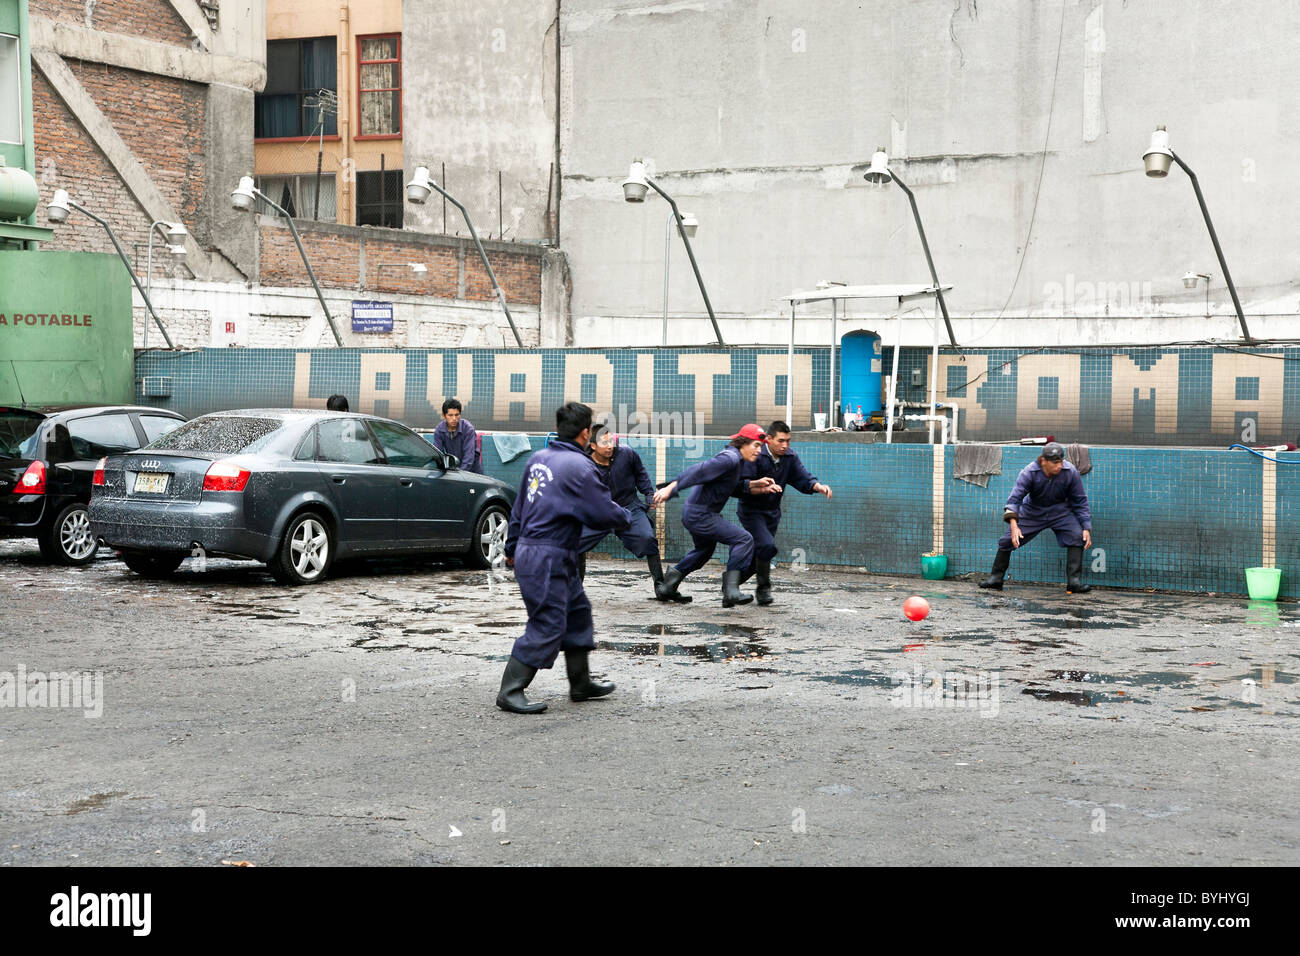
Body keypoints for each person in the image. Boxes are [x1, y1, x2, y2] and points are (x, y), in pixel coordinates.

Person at [496, 402, 632, 714]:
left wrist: (512, 547)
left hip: (543, 551)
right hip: (548, 554)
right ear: (586, 433)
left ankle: (580, 683)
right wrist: (626, 515)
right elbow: (600, 512)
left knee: (577, 612)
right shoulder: (582, 467)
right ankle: (510, 690)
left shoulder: (538, 459)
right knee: (548, 621)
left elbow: (519, 509)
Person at [651, 424, 779, 607]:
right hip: (700, 514)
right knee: (743, 539)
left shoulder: (738, 462)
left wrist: (756, 485)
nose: (759, 450)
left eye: (760, 446)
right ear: (742, 443)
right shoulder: (730, 458)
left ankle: (667, 587)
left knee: (703, 551)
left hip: (697, 512)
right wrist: (671, 487)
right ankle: (731, 591)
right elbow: (698, 471)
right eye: (755, 445)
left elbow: (732, 487)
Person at [576, 425, 688, 601]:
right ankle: (575, 589)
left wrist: (649, 495)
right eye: (604, 443)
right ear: (593, 446)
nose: (609, 446)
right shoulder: (582, 463)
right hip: (597, 512)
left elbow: (641, 474)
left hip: (628, 506)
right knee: (575, 542)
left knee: (647, 539)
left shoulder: (627, 454)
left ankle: (660, 586)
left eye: (611, 441)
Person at [736, 421, 833, 605]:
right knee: (766, 546)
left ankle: (733, 581)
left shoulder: (789, 457)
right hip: (751, 511)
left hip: (772, 513)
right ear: (769, 439)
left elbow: (802, 477)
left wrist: (818, 486)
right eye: (781, 441)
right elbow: (742, 484)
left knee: (763, 550)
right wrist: (762, 487)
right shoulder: (756, 455)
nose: (785, 445)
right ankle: (762, 589)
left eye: (788, 441)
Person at [978, 441, 1093, 594]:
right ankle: (996, 578)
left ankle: (1074, 582)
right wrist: (1014, 526)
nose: (1059, 466)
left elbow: (1080, 500)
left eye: (1060, 462)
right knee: (1006, 540)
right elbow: (1014, 500)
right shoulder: (1029, 472)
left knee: (1078, 536)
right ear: (1044, 461)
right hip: (1033, 511)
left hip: (1060, 512)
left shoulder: (1070, 471)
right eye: (1054, 463)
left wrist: (1086, 527)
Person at [431, 398, 482, 474]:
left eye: (457, 415)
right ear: (444, 415)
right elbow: (438, 454)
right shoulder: (439, 430)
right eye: (450, 415)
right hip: (454, 469)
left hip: (472, 469)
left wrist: (460, 474)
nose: (454, 418)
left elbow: (469, 457)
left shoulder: (468, 429)